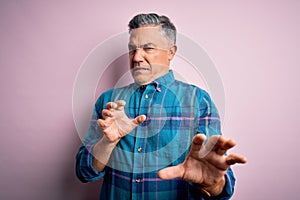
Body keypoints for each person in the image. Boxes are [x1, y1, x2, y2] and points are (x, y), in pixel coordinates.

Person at [76, 13, 247, 199]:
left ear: (171, 52)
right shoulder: (109, 102)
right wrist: (108, 143)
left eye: (148, 48)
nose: (137, 58)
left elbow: (219, 185)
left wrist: (212, 183)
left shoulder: (197, 101)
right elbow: (84, 172)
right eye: (132, 49)